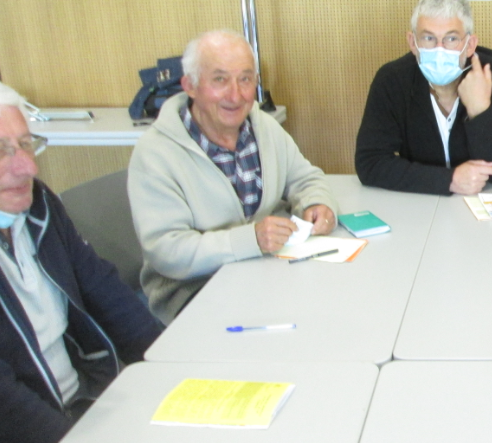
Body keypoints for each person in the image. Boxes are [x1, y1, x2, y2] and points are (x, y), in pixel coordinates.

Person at [0, 85, 163, 443]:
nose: (26, 168)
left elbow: (101, 287)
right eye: (2, 151)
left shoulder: (39, 206)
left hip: (88, 406)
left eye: (25, 145)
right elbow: (8, 409)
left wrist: (165, 367)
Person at [129, 30, 337, 323]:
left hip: (266, 273)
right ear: (190, 85)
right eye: (220, 80)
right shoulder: (156, 153)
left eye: (245, 79)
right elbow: (167, 250)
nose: (236, 95)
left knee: (329, 312)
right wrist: (250, 240)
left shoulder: (262, 126)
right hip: (195, 291)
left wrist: (317, 203)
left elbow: (305, 177)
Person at [355, 0, 492, 195]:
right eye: (428, 38)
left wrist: (479, 110)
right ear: (413, 43)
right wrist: (449, 180)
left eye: (451, 38)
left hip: (488, 196)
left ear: (470, 44)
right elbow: (370, 163)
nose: (439, 49)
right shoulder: (391, 80)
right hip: (420, 199)